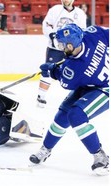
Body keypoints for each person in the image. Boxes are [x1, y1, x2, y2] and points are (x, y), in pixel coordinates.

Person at [29, 24, 109, 176]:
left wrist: (52, 70)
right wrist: (54, 70)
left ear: (71, 45)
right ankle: (45, 149)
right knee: (61, 117)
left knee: (76, 115)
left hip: (105, 88)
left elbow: (64, 78)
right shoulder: (93, 33)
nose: (60, 47)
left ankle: (100, 156)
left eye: (62, 45)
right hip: (87, 85)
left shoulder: (72, 69)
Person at [36, 0, 87, 108]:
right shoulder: (55, 10)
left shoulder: (80, 14)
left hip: (71, 49)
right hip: (55, 48)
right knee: (48, 70)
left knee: (77, 71)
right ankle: (41, 96)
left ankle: (77, 97)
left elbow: (83, 31)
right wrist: (52, 36)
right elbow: (46, 25)